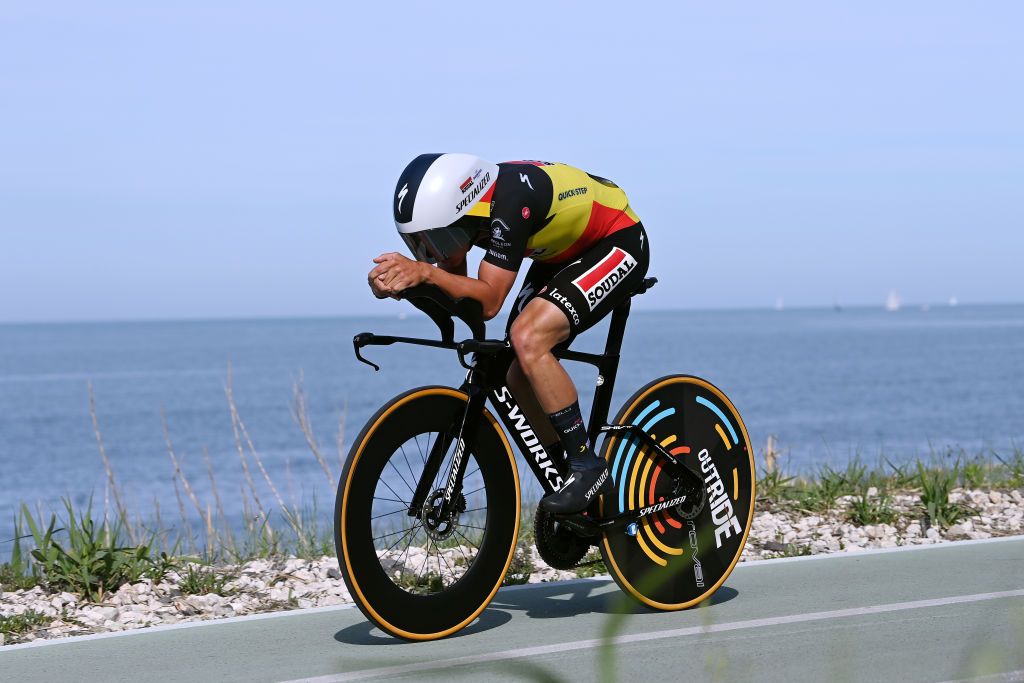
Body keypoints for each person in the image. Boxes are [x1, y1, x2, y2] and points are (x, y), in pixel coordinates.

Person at [368, 153, 650, 514]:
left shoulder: (510, 204)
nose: (430, 252)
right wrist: (400, 285)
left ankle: (587, 466)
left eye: (433, 239)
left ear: (458, 214)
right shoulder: (468, 218)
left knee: (529, 339)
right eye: (420, 243)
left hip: (617, 239)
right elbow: (460, 289)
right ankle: (566, 476)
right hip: (562, 254)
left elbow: (488, 302)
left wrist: (424, 273)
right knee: (515, 371)